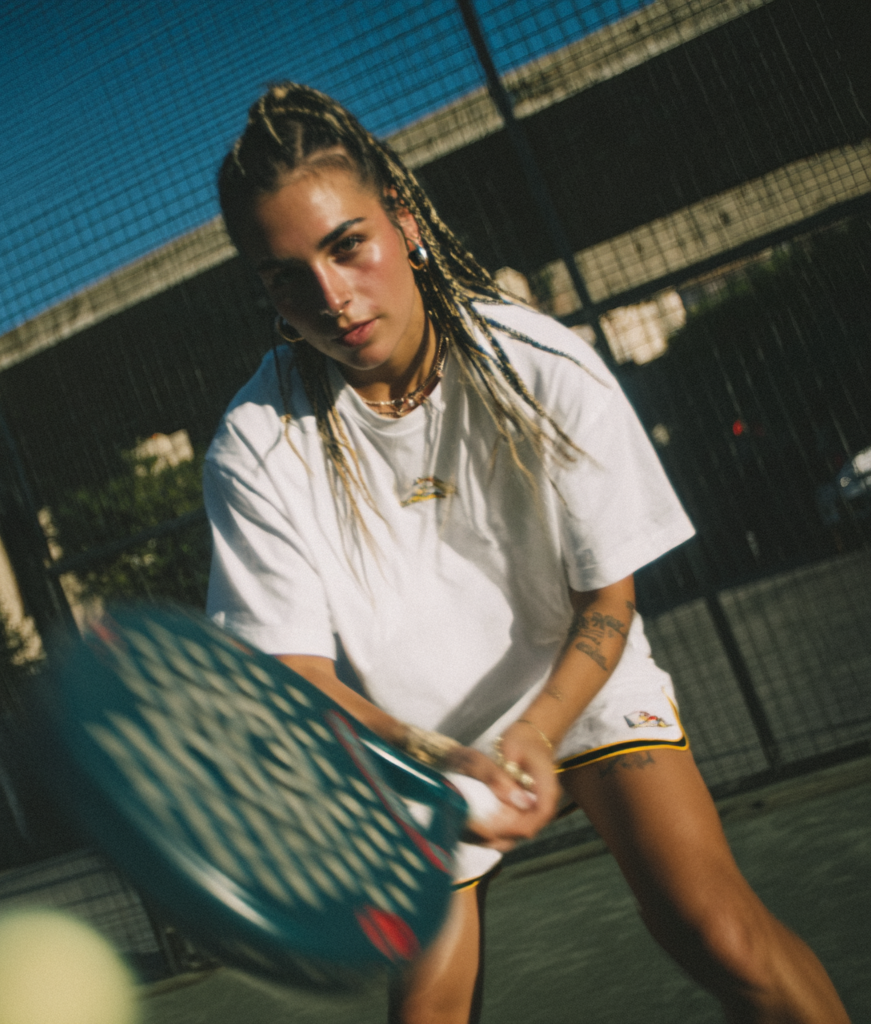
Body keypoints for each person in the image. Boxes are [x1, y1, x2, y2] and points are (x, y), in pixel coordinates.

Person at [204, 83, 850, 1024]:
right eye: (287, 276)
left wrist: (536, 733)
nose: (330, 296)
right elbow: (295, 673)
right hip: (417, 749)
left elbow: (607, 601)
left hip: (578, 690)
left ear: (405, 221)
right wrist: (438, 758)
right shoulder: (256, 443)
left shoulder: (539, 362)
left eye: (348, 245)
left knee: (720, 934)